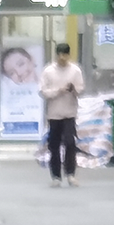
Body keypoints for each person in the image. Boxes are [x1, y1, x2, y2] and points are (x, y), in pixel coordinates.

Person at [42, 42, 86, 187]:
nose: (62, 58)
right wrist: (58, 91)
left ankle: (70, 174)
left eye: (65, 55)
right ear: (56, 55)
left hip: (69, 113)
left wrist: (73, 89)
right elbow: (43, 91)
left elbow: (81, 90)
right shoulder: (48, 71)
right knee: (53, 145)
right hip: (54, 114)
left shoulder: (75, 70)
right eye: (60, 55)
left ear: (69, 55)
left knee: (70, 143)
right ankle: (56, 176)